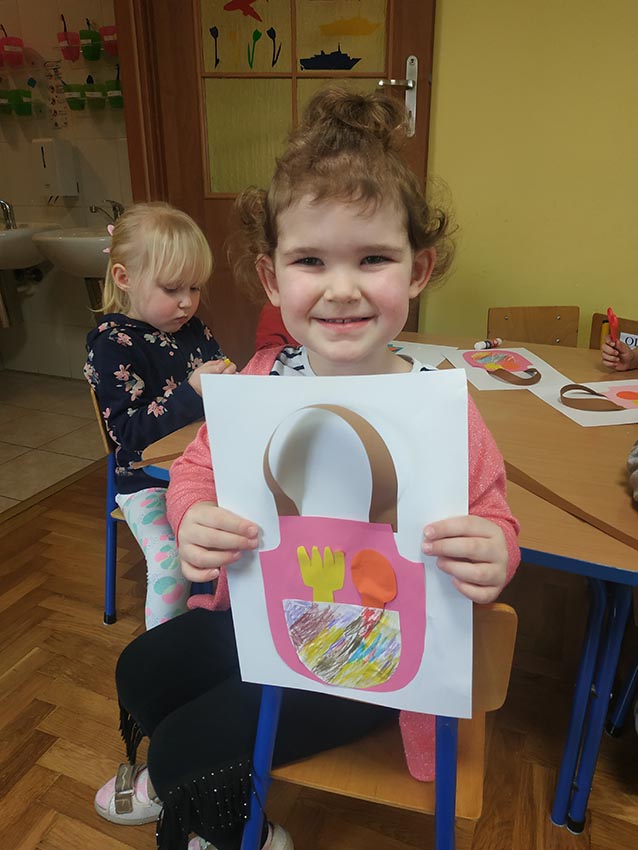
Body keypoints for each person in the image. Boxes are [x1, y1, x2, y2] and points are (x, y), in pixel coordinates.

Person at [94, 89, 521, 850]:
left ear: (418, 270)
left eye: (374, 258)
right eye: (310, 260)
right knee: (143, 671)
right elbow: (194, 473)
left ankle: (235, 826)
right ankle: (207, 790)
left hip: (371, 658)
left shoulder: (442, 410)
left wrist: (494, 552)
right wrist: (193, 518)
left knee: (189, 745)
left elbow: (493, 519)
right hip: (263, 620)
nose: (341, 287)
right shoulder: (259, 383)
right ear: (271, 279)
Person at [84, 202, 235, 629]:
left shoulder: (193, 329)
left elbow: (219, 391)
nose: (187, 302)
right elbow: (129, 434)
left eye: (195, 287)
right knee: (171, 563)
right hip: (145, 482)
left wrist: (230, 383)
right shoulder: (112, 345)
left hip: (204, 469)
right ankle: (166, 651)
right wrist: (192, 391)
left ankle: (226, 628)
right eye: (172, 289)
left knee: (247, 535)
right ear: (124, 278)